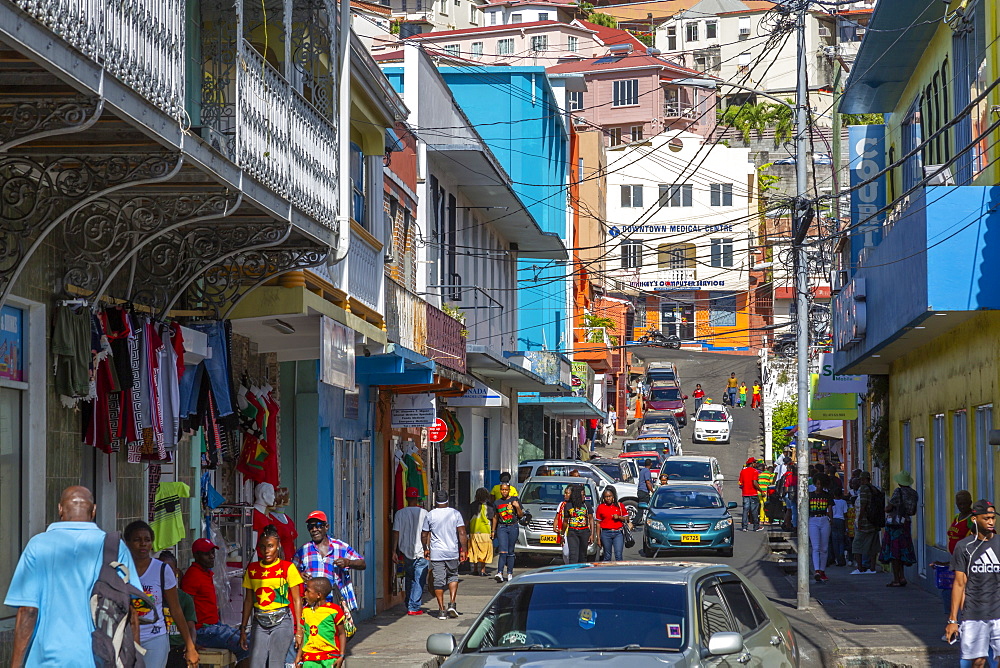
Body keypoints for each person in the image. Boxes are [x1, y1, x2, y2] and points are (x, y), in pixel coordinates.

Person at [5, 486, 144, 667]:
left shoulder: (38, 546)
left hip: (47, 658)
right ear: (93, 510)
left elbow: (28, 611)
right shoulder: (114, 547)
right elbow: (129, 610)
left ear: (60, 509)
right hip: (101, 656)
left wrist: (15, 663)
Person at [123, 521, 199, 668]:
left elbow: (176, 610)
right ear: (127, 543)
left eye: (147, 540)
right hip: (125, 638)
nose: (143, 544)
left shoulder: (162, 570)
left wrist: (190, 646)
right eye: (137, 540)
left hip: (155, 638)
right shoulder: (119, 569)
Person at [946, 500, 1000, 667]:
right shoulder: (964, 547)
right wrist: (953, 620)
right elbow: (959, 584)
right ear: (975, 519)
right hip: (974, 614)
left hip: (998, 613)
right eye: (986, 518)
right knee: (978, 661)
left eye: (993, 518)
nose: (991, 522)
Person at [240, 525, 304, 666]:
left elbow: (297, 599)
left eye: (270, 546)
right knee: (255, 663)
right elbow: (248, 601)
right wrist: (243, 629)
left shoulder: (288, 568)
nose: (266, 551)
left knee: (276, 663)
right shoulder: (252, 569)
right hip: (259, 621)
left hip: (282, 621)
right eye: (262, 547)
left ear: (278, 546)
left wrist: (299, 630)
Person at [180, 538, 248, 659]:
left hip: (214, 626)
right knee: (244, 645)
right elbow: (185, 608)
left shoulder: (205, 573)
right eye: (207, 554)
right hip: (202, 631)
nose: (212, 556)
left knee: (248, 638)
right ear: (196, 555)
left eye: (212, 553)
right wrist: (191, 640)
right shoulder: (193, 575)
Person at [294, 510, 366, 619]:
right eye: (310, 527)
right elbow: (291, 571)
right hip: (313, 604)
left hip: (336, 600)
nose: (314, 530)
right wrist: (300, 575)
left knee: (339, 633)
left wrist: (348, 562)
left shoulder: (340, 547)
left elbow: (362, 563)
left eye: (318, 525)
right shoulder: (303, 550)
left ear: (326, 527)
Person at [422, 490, 468, 620]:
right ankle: (452, 603)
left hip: (436, 553)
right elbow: (462, 532)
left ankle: (442, 610)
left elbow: (424, 534)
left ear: (435, 501)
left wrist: (426, 548)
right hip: (452, 551)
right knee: (453, 576)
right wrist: (463, 550)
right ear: (447, 500)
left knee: (438, 581)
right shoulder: (455, 514)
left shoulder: (430, 515)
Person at [391, 487, 429, 615]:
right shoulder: (425, 513)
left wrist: (394, 551)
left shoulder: (400, 513)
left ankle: (409, 602)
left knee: (409, 577)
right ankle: (414, 606)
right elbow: (427, 533)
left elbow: (396, 533)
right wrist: (428, 548)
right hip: (422, 551)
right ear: (417, 498)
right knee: (419, 579)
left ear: (406, 498)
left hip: (406, 551)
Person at [296, 577, 347, 668]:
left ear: (318, 595)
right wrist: (299, 656)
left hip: (329, 658)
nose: (305, 594)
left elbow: (342, 633)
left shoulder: (334, 610)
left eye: (308, 591)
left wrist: (341, 655)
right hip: (309, 658)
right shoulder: (306, 611)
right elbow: (305, 635)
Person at [159, 551, 198, 668]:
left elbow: (191, 627)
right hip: (159, 648)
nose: (164, 574)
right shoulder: (153, 597)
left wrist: (191, 646)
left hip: (179, 649)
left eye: (169, 570)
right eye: (161, 570)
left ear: (176, 572)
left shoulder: (185, 599)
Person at [880, 470, 919, 587]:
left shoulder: (898, 492)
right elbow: (913, 511)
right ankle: (902, 577)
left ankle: (896, 578)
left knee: (895, 552)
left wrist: (885, 508)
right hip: (906, 523)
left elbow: (889, 507)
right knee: (902, 550)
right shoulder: (914, 493)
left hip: (895, 525)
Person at [491, 483, 523, 583]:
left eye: (506, 490)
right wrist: (493, 530)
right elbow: (495, 517)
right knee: (503, 550)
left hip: (513, 526)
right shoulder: (497, 502)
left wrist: (517, 507)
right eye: (502, 490)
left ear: (509, 490)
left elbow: (521, 515)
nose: (504, 491)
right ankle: (500, 573)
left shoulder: (515, 500)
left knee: (510, 551)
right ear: (500, 490)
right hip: (502, 527)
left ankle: (509, 573)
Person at [851, 471, 880, 575]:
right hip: (874, 521)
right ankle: (872, 567)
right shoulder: (874, 489)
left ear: (863, 480)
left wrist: (859, 520)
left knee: (857, 545)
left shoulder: (864, 489)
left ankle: (859, 568)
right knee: (873, 545)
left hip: (865, 521)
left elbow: (863, 505)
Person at [808, 475, 833, 582]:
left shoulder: (827, 495)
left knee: (824, 548)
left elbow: (830, 509)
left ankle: (822, 571)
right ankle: (817, 570)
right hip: (813, 520)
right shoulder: (810, 495)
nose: (818, 486)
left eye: (820, 484)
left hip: (824, 520)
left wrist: (831, 519)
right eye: (817, 484)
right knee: (816, 547)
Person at [561, 484, 595, 564]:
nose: (584, 497)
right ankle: (572, 573)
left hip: (584, 532)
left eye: (584, 495)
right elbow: (565, 521)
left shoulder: (587, 505)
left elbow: (591, 520)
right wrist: (562, 535)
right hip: (572, 532)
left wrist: (592, 534)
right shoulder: (568, 506)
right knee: (573, 555)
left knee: (583, 555)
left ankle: (581, 573)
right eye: (582, 495)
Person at [467, 488, 495, 577]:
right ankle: (483, 570)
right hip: (486, 531)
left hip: (474, 530)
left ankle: (475, 569)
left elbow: (468, 519)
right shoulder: (490, 506)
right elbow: (493, 517)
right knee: (485, 551)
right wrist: (493, 531)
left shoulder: (472, 505)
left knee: (475, 550)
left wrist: (466, 529)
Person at [595, 487, 628, 562]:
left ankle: (619, 571)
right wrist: (598, 538)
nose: (608, 498)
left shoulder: (619, 506)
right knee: (607, 555)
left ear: (613, 496)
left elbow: (627, 518)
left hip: (618, 533)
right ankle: (607, 571)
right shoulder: (601, 507)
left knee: (618, 555)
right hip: (606, 533)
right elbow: (598, 524)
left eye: (610, 496)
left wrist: (619, 517)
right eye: (606, 497)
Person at [738, 457, 762, 532]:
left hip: (745, 493)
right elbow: (755, 482)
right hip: (753, 493)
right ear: (752, 464)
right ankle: (756, 526)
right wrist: (761, 490)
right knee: (754, 510)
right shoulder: (754, 471)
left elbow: (740, 484)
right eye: (755, 463)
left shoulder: (742, 471)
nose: (755, 464)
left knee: (745, 510)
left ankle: (744, 527)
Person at [830, 487, 849, 567]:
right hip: (841, 521)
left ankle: (837, 559)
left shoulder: (832, 502)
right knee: (841, 540)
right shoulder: (843, 502)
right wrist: (846, 527)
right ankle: (842, 558)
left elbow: (829, 512)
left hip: (834, 520)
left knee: (835, 541)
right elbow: (845, 514)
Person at [637, 459, 654, 524]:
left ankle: (637, 521)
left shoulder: (642, 470)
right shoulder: (647, 471)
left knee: (641, 508)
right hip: (644, 492)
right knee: (649, 506)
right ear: (651, 464)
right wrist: (652, 491)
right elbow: (647, 482)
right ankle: (634, 523)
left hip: (640, 491)